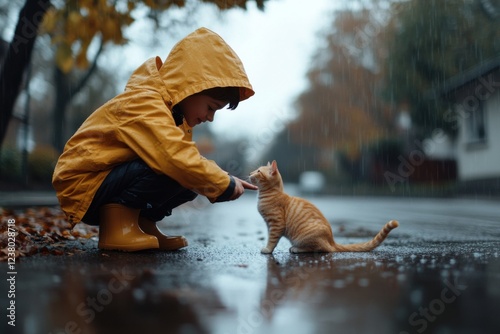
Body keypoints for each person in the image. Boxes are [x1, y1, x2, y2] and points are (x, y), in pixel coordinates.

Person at [52, 27, 258, 252]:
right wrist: (222, 182)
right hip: (85, 186)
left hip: (104, 182)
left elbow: (183, 160)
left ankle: (143, 224)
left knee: (189, 178)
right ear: (191, 87)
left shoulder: (172, 113)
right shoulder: (144, 102)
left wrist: (217, 178)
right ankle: (118, 229)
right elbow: (172, 155)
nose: (210, 117)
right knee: (175, 167)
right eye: (211, 107)